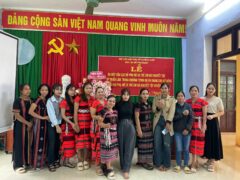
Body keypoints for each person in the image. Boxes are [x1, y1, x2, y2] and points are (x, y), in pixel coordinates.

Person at [152, 83, 176, 171]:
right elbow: (153, 110)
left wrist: (168, 122)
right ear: (160, 89)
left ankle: (166, 164)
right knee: (157, 143)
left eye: (166, 88)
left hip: (167, 123)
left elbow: (172, 111)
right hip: (158, 123)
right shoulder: (156, 98)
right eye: (162, 88)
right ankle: (158, 163)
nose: (164, 89)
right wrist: (158, 107)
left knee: (166, 144)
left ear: (168, 89)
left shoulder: (172, 99)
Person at [186, 85, 208, 173]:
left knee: (197, 143)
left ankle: (194, 163)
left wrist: (204, 125)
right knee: (191, 143)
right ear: (189, 92)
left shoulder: (202, 102)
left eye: (195, 90)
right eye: (192, 90)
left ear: (198, 92)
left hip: (199, 124)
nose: (193, 92)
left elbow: (205, 115)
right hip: (190, 125)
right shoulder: (187, 102)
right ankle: (195, 161)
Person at [203, 83, 224, 172]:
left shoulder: (218, 99)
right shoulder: (202, 98)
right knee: (206, 140)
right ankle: (208, 158)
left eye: (212, 89)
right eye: (209, 88)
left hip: (213, 121)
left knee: (213, 140)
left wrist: (213, 116)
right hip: (204, 120)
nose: (210, 90)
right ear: (206, 89)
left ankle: (212, 162)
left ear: (214, 90)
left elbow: (222, 112)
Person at [29, 84, 50, 170]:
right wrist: (42, 117)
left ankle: (41, 162)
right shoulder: (37, 100)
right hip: (38, 124)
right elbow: (30, 112)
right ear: (39, 91)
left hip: (45, 124)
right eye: (42, 90)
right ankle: (35, 164)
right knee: (37, 142)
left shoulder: (47, 100)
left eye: (46, 90)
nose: (44, 92)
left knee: (44, 142)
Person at [115, 88, 135, 179]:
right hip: (120, 126)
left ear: (129, 95)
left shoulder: (132, 104)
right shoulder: (117, 104)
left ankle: (126, 169)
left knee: (129, 147)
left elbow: (135, 117)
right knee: (121, 147)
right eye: (124, 94)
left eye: (127, 94)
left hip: (130, 126)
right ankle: (123, 166)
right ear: (121, 95)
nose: (125, 96)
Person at [74, 82, 94, 171]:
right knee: (79, 143)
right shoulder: (78, 98)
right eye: (87, 88)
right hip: (80, 123)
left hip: (89, 123)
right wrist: (76, 124)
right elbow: (75, 112)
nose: (89, 90)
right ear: (83, 89)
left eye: (90, 88)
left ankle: (86, 160)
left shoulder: (93, 98)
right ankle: (79, 160)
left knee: (87, 143)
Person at [12, 84, 32, 173]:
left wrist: (30, 123)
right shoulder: (17, 101)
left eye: (29, 89)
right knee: (19, 144)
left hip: (29, 125)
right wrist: (27, 123)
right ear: (21, 90)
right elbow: (17, 115)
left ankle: (26, 162)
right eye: (26, 89)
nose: (28, 91)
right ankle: (17, 165)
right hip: (20, 126)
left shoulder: (31, 101)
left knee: (28, 143)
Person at [172, 91, 193, 173]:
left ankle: (186, 165)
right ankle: (178, 164)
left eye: (182, 96)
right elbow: (173, 118)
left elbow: (191, 119)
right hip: (177, 131)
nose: (180, 97)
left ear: (184, 97)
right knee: (178, 149)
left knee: (186, 149)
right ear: (176, 98)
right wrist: (182, 114)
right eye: (178, 96)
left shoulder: (188, 106)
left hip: (187, 132)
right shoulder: (174, 106)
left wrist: (187, 129)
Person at [99, 95, 118, 180]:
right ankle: (108, 169)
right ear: (107, 101)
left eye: (113, 101)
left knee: (112, 150)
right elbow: (99, 123)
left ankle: (107, 166)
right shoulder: (103, 111)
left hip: (114, 134)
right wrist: (105, 125)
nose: (111, 103)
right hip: (106, 134)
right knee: (107, 150)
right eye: (110, 101)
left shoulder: (115, 111)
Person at [135, 88, 153, 170]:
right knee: (142, 145)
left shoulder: (150, 103)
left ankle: (146, 161)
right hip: (142, 127)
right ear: (140, 95)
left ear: (149, 95)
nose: (145, 95)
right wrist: (138, 129)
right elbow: (136, 117)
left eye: (146, 93)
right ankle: (142, 162)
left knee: (148, 145)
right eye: (143, 93)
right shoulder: (138, 104)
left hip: (149, 128)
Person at [90, 87, 107, 175]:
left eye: (102, 92)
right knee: (98, 146)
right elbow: (92, 115)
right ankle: (98, 166)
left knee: (105, 145)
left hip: (106, 127)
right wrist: (99, 117)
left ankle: (104, 164)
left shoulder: (107, 102)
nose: (100, 93)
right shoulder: (95, 102)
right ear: (96, 94)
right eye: (99, 92)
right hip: (97, 127)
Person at [60, 84, 77, 168]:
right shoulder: (64, 101)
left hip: (73, 125)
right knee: (67, 143)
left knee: (72, 143)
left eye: (74, 90)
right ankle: (65, 161)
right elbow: (63, 115)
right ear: (67, 91)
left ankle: (66, 161)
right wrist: (71, 123)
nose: (73, 91)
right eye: (71, 90)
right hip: (67, 125)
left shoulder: (74, 101)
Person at [46, 83, 63, 172]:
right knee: (52, 143)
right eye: (57, 89)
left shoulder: (62, 100)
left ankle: (56, 160)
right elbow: (51, 115)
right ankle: (50, 162)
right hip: (53, 125)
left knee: (57, 143)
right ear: (53, 90)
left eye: (61, 89)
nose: (59, 91)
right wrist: (57, 126)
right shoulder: (50, 101)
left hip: (60, 124)